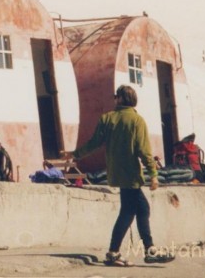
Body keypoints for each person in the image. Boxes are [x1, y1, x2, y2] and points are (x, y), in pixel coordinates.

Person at [60, 85, 175, 266]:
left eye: (116, 97)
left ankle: (127, 251)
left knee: (133, 211)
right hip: (131, 174)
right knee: (134, 211)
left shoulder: (107, 119)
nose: (114, 99)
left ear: (121, 99)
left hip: (116, 173)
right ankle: (141, 250)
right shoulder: (137, 121)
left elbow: (94, 143)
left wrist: (75, 154)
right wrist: (153, 174)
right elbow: (144, 151)